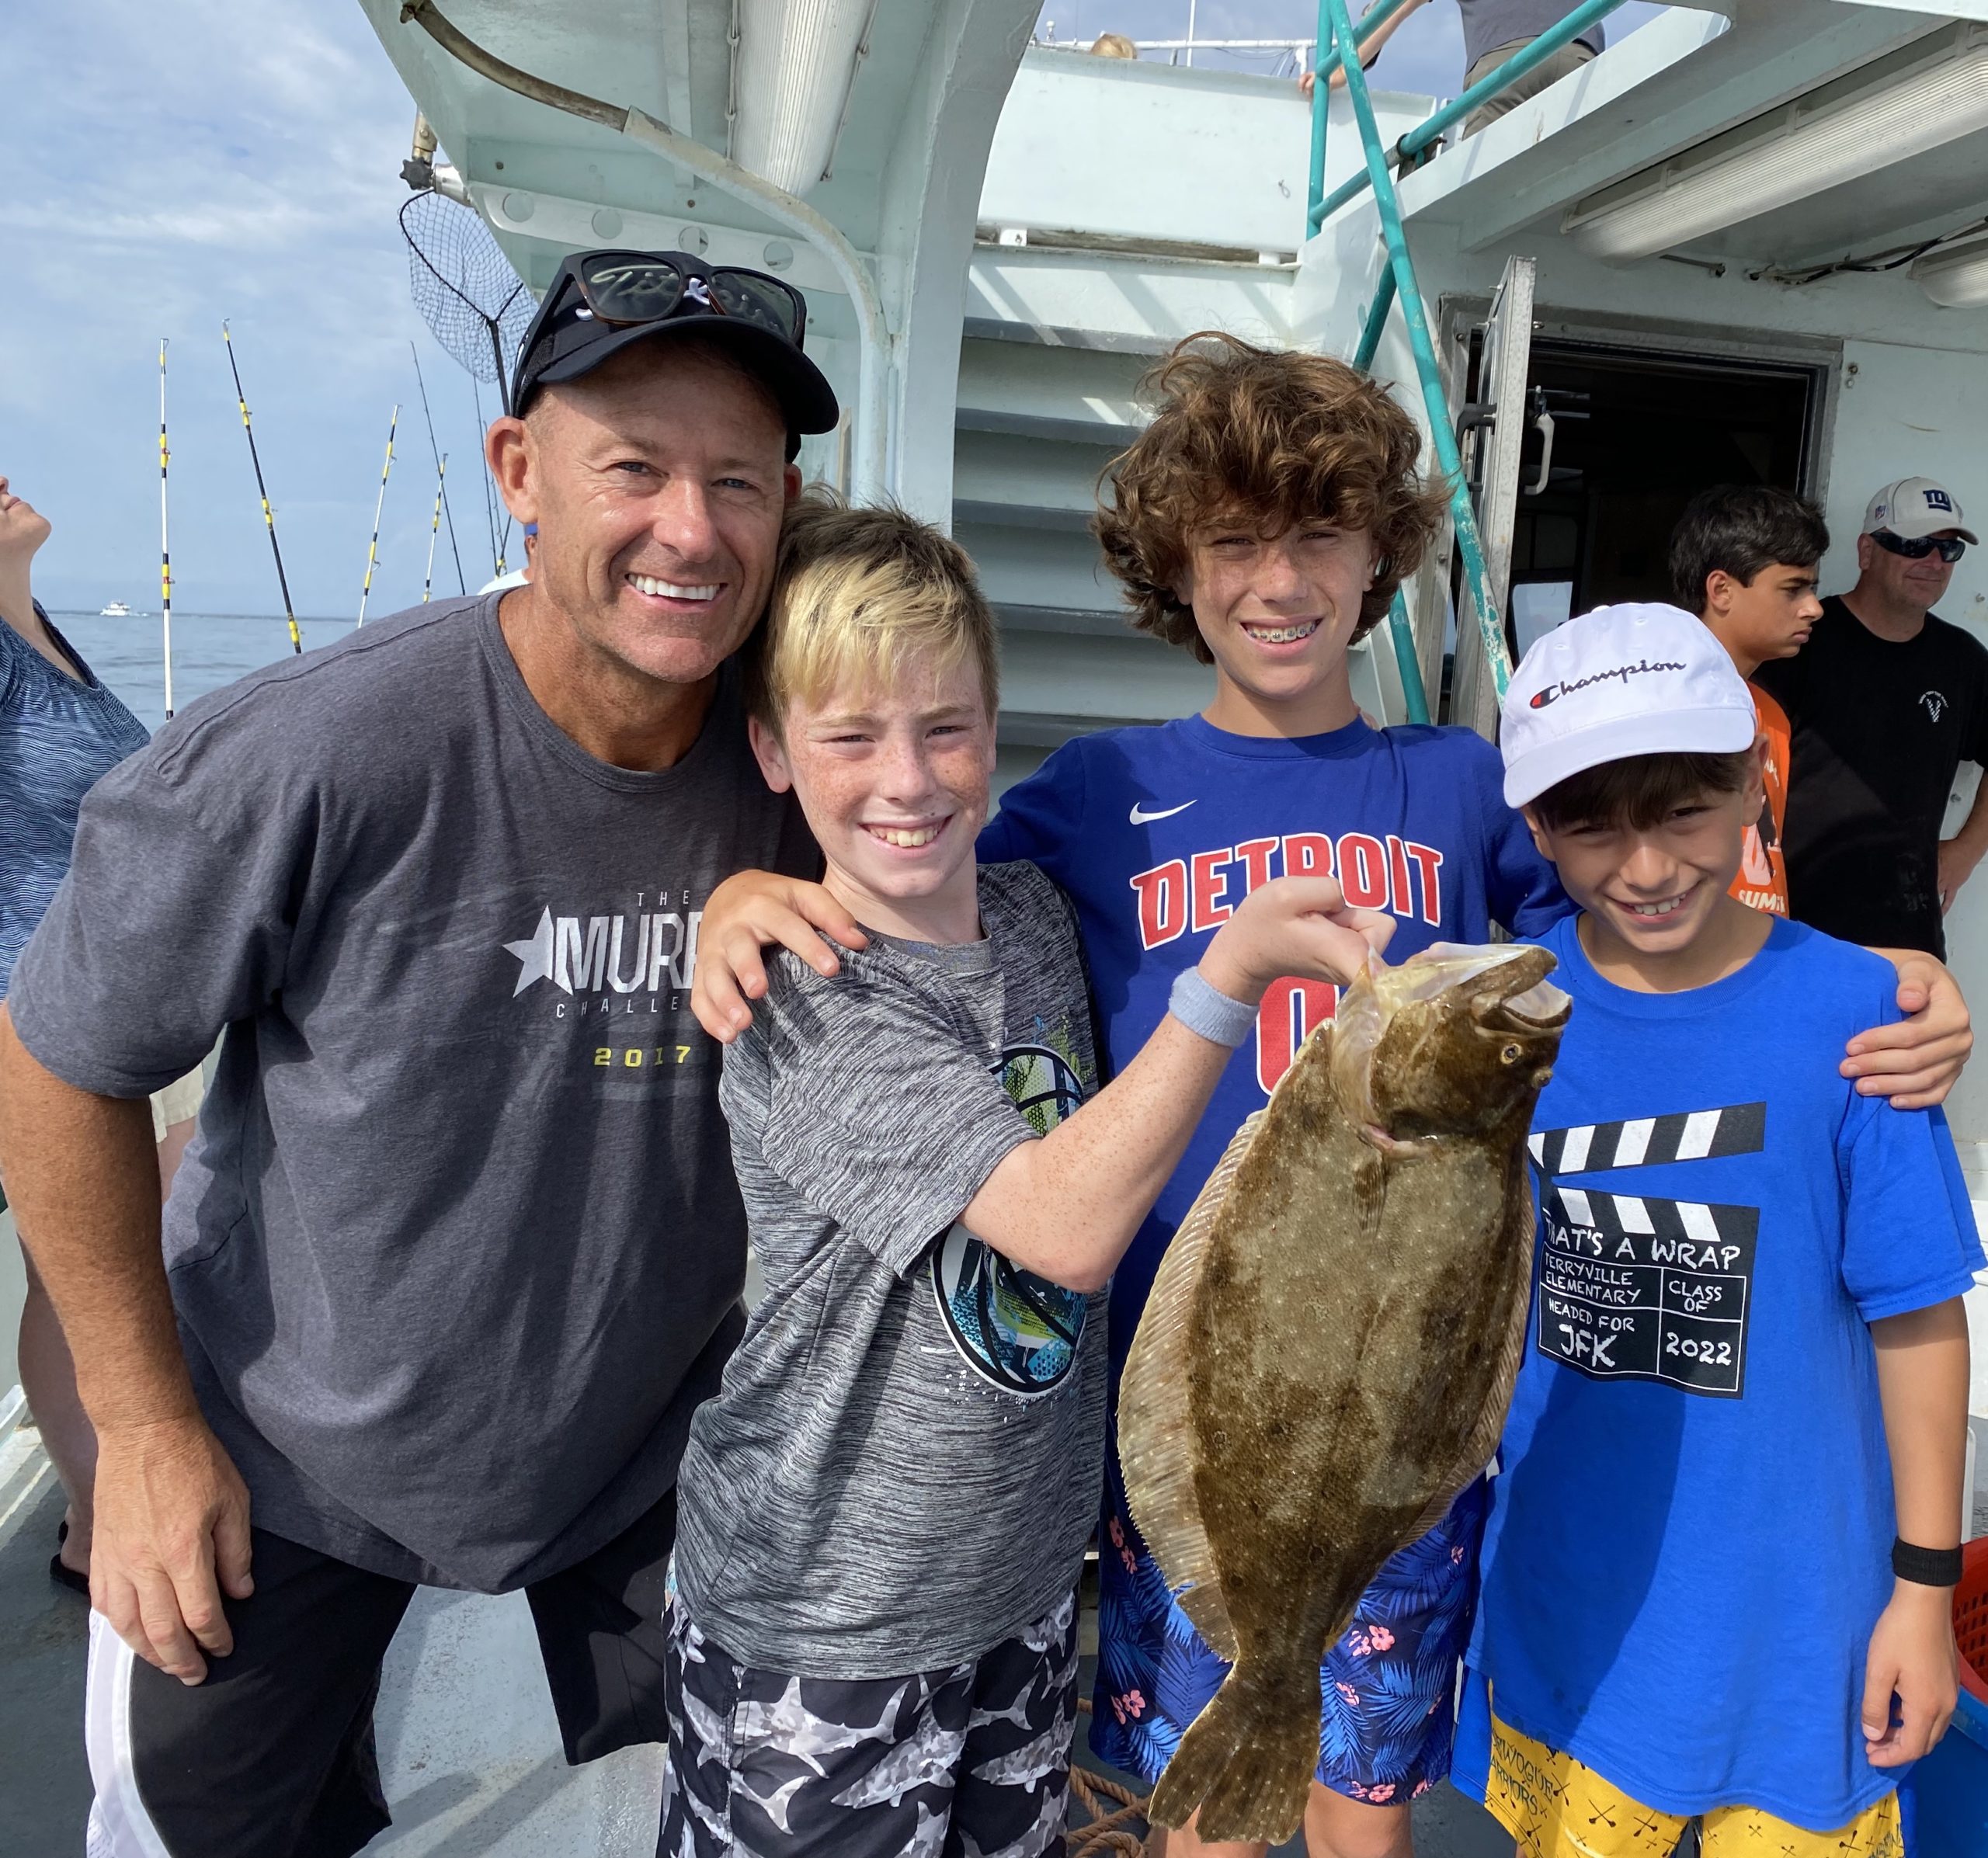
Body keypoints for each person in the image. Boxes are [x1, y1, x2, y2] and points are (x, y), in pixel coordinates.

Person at [690, 335, 1972, 1858]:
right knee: (1209, 1804)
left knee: (1364, 1798)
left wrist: (1874, 973)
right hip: (1203, 1394)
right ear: (1174, 564)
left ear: (1379, 558)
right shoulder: (1091, 795)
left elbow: (1634, 941)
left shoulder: (1458, 781)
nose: (1278, 578)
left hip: (1398, 1394)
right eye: (1233, 541)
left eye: (1319, 534)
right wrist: (746, 884)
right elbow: (916, 876)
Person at [0, 248, 836, 1858]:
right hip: (282, 1447)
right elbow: (58, 1057)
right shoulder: (314, 750)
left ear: (786, 505)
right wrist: (144, 1433)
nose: (690, 527)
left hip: (642, 1453)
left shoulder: (804, 759)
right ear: (520, 470)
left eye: (737, 480)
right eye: (634, 467)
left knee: (745, 1807)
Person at [662, 494, 1392, 1857]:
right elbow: (1061, 1228)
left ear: (995, 730)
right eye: (850, 737)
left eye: (945, 728)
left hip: (1023, 1592)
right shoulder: (804, 996)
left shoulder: (1033, 910)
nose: (908, 779)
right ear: (770, 748)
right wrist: (1231, 973)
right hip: (827, 1623)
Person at [1454, 601, 1977, 1856]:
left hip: (1807, 1637)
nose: (1646, 868)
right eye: (1593, 825)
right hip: (1570, 1613)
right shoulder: (1496, 1020)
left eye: (1685, 811)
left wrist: (1924, 1588)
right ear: (1537, 828)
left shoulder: (1863, 1017)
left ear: (1756, 783)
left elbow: (1917, 1315)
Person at [0, 474, 201, 1599]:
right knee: (80, 1270)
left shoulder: (42, 635)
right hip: (29, 1021)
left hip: (107, 1008)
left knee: (120, 1251)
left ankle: (98, 1503)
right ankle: (99, 1515)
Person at [1756, 477, 1988, 959]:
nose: (1933, 562)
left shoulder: (1964, 660)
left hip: (1909, 938)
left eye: (1948, 550)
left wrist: (1967, 851)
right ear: (1867, 551)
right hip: (1789, 933)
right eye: (1913, 544)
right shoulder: (1797, 644)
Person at [1667, 482, 1830, 918]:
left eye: (1812, 588)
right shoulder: (1660, 709)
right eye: (1793, 588)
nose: (1814, 608)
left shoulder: (1771, 714)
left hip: (1761, 943)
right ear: (1721, 590)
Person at [1298, 0, 1603, 136]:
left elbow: (1392, 9)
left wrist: (1338, 73)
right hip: (1580, 55)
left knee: (1485, 190)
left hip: (1505, 68)